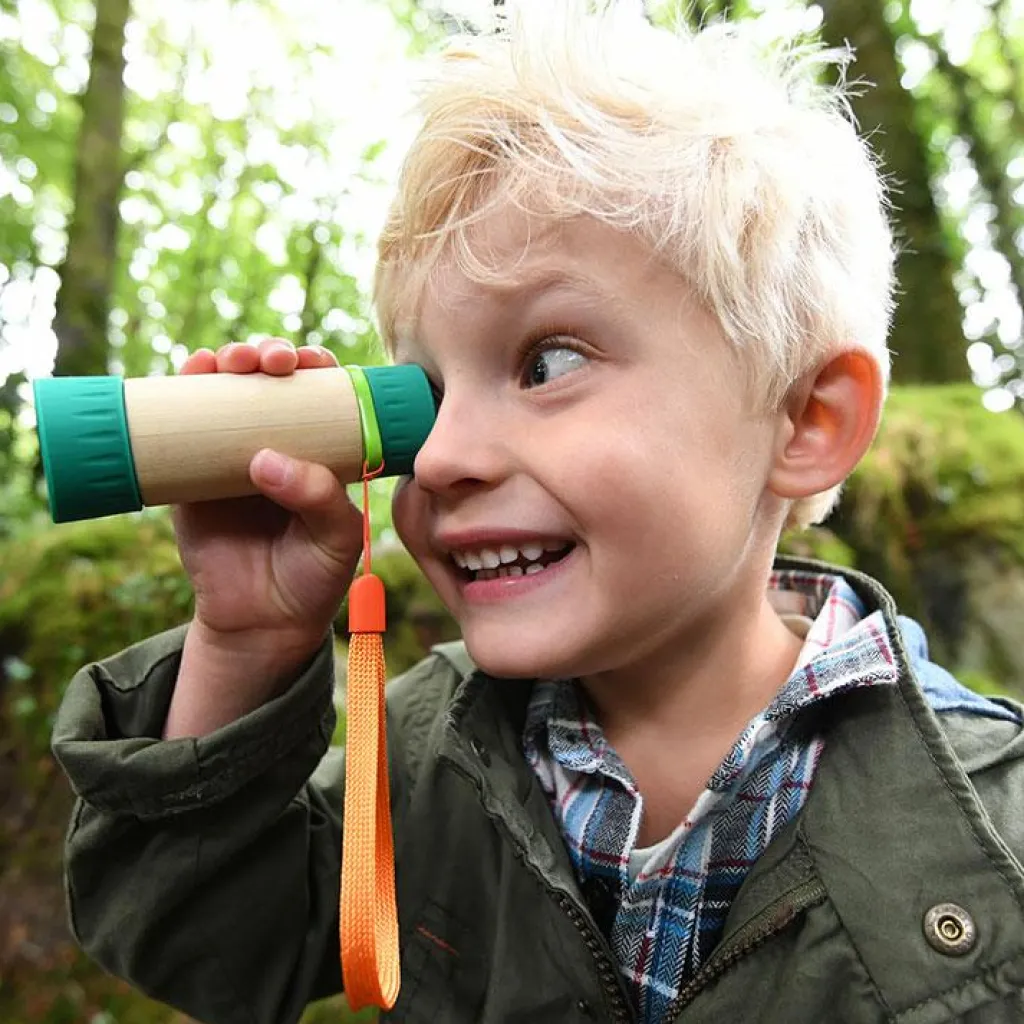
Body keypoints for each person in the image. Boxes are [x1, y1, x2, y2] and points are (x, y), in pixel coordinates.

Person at [52, 2, 1024, 1022]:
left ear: (804, 420)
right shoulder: (428, 751)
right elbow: (206, 941)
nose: (447, 454)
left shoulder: (988, 828)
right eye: (421, 392)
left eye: (547, 362)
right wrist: (243, 641)